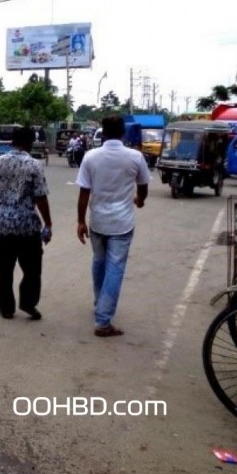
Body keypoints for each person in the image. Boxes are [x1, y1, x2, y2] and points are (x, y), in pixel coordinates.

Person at [76, 115, 150, 338]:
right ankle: (103, 321)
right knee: (115, 269)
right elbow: (143, 186)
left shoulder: (91, 157)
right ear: (123, 132)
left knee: (99, 263)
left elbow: (83, 193)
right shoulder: (135, 157)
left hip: (98, 220)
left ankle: (101, 304)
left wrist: (80, 221)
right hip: (122, 223)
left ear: (103, 132)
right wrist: (140, 200)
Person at [0, 126, 53, 320]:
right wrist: (48, 223)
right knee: (32, 269)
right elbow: (41, 197)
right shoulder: (34, 165)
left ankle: (6, 308)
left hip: (4, 225)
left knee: (4, 269)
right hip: (27, 227)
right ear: (30, 142)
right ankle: (28, 303)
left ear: (13, 142)